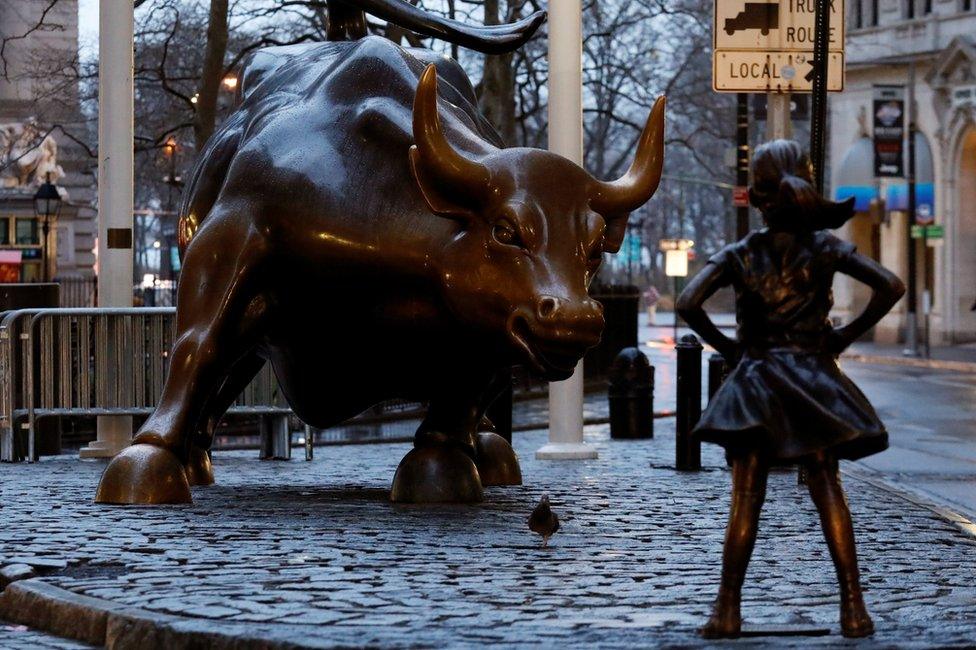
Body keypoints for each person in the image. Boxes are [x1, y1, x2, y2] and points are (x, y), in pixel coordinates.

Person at [676, 140, 905, 640]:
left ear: (757, 196)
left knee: (746, 499)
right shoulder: (824, 248)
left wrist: (732, 349)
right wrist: (842, 336)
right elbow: (891, 285)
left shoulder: (742, 252)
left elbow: (688, 301)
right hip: (813, 378)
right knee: (827, 490)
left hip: (756, 381)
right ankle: (853, 610)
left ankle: (727, 611)